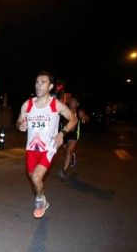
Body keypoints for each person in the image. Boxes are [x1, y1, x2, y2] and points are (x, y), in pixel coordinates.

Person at [16, 71, 78, 219]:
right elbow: (19, 122)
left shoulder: (55, 104)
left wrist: (62, 134)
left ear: (50, 86)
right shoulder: (28, 104)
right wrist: (21, 125)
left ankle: (39, 201)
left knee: (37, 178)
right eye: (37, 82)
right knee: (34, 180)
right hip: (31, 149)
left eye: (43, 82)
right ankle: (42, 197)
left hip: (48, 148)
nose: (38, 85)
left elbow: (73, 120)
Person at [58, 97, 90, 180]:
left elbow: (87, 118)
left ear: (77, 104)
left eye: (74, 101)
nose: (71, 102)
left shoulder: (79, 112)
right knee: (66, 152)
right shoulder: (65, 111)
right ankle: (72, 156)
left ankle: (63, 171)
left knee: (68, 151)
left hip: (74, 134)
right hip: (64, 134)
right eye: (71, 101)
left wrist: (84, 119)